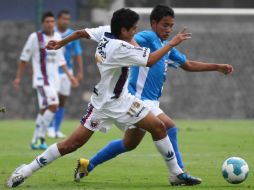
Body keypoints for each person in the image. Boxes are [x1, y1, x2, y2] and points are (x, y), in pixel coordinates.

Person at [7, 8, 200, 188]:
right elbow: (149, 61)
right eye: (133, 29)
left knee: (159, 127)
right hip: (103, 106)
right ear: (123, 30)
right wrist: (172, 43)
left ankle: (175, 173)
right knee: (70, 145)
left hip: (124, 101)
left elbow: (81, 32)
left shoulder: (107, 32)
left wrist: (61, 43)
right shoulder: (119, 48)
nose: (136, 32)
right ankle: (25, 170)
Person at [70, 5, 233, 185]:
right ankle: (179, 173)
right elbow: (127, 39)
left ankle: (88, 165)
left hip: (151, 102)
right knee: (168, 126)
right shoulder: (147, 37)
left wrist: (216, 67)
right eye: (165, 25)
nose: (168, 30)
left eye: (171, 26)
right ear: (153, 23)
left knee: (129, 144)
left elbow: (188, 65)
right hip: (136, 99)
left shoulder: (166, 48)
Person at [12, 11, 78, 150]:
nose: (50, 24)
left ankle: (35, 140)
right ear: (43, 23)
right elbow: (24, 58)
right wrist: (18, 77)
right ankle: (41, 137)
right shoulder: (35, 37)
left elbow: (61, 60)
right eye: (47, 21)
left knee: (43, 109)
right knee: (54, 104)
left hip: (55, 81)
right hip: (41, 80)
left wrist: (70, 76)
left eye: (52, 21)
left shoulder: (57, 37)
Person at [47, 10, 84, 138]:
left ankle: (57, 129)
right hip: (53, 71)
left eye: (68, 19)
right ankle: (50, 127)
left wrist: (80, 71)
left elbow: (77, 53)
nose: (66, 21)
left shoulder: (72, 34)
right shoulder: (52, 33)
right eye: (63, 18)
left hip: (68, 71)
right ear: (58, 19)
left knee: (62, 101)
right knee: (54, 100)